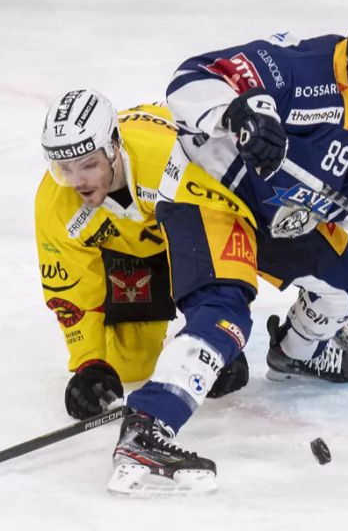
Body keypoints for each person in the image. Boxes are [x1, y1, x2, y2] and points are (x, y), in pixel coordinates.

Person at [108, 0, 348, 495]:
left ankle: (296, 353)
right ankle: (147, 427)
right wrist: (239, 115)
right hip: (210, 195)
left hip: (275, 216)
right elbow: (189, 79)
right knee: (225, 314)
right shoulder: (297, 65)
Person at [36, 90, 249, 423]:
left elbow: (224, 232)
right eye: (64, 167)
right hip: (134, 251)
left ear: (113, 146)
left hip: (193, 226)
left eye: (88, 164)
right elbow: (70, 292)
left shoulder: (167, 160)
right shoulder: (55, 202)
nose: (77, 181)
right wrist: (89, 362)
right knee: (131, 366)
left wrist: (217, 335)